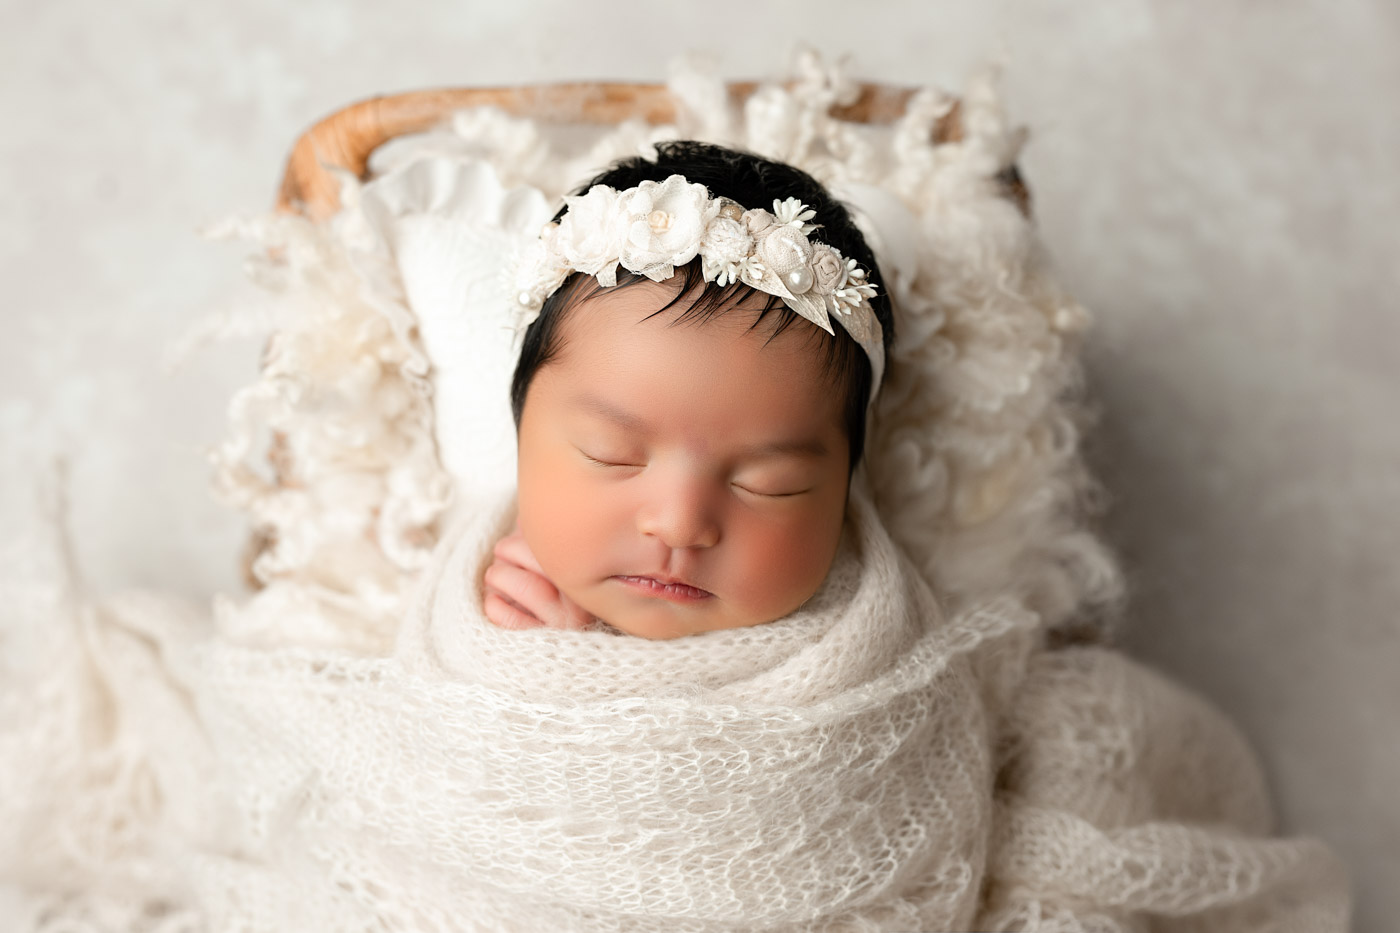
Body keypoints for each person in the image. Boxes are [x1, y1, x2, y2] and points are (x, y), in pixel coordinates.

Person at [480, 140, 894, 639]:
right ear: (520, 433)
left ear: (845, 492)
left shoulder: (871, 637)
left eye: (769, 483)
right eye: (611, 455)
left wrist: (586, 675)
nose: (679, 525)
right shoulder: (476, 599)